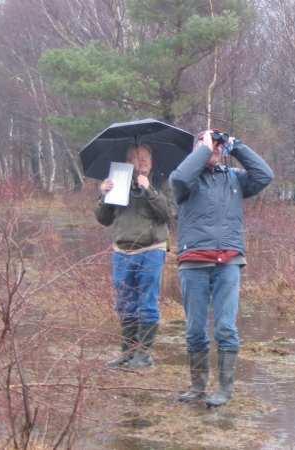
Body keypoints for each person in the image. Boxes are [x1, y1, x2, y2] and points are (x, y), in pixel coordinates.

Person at [169, 129, 274, 407]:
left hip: (229, 262)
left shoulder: (235, 180)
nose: (214, 150)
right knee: (195, 329)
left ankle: (225, 390)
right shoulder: (186, 181)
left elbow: (265, 175)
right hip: (194, 262)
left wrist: (236, 146)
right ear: (198, 150)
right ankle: (197, 386)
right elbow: (179, 178)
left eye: (217, 147)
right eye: (208, 146)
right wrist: (202, 149)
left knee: (226, 327)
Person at [95, 144, 174, 369]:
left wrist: (149, 190)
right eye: (136, 158)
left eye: (146, 157)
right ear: (128, 162)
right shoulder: (118, 182)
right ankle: (128, 352)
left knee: (147, 303)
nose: (142, 162)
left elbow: (168, 214)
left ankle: (144, 354)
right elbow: (104, 219)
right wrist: (104, 196)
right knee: (125, 304)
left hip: (151, 249)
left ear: (152, 161)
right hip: (122, 251)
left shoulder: (163, 182)